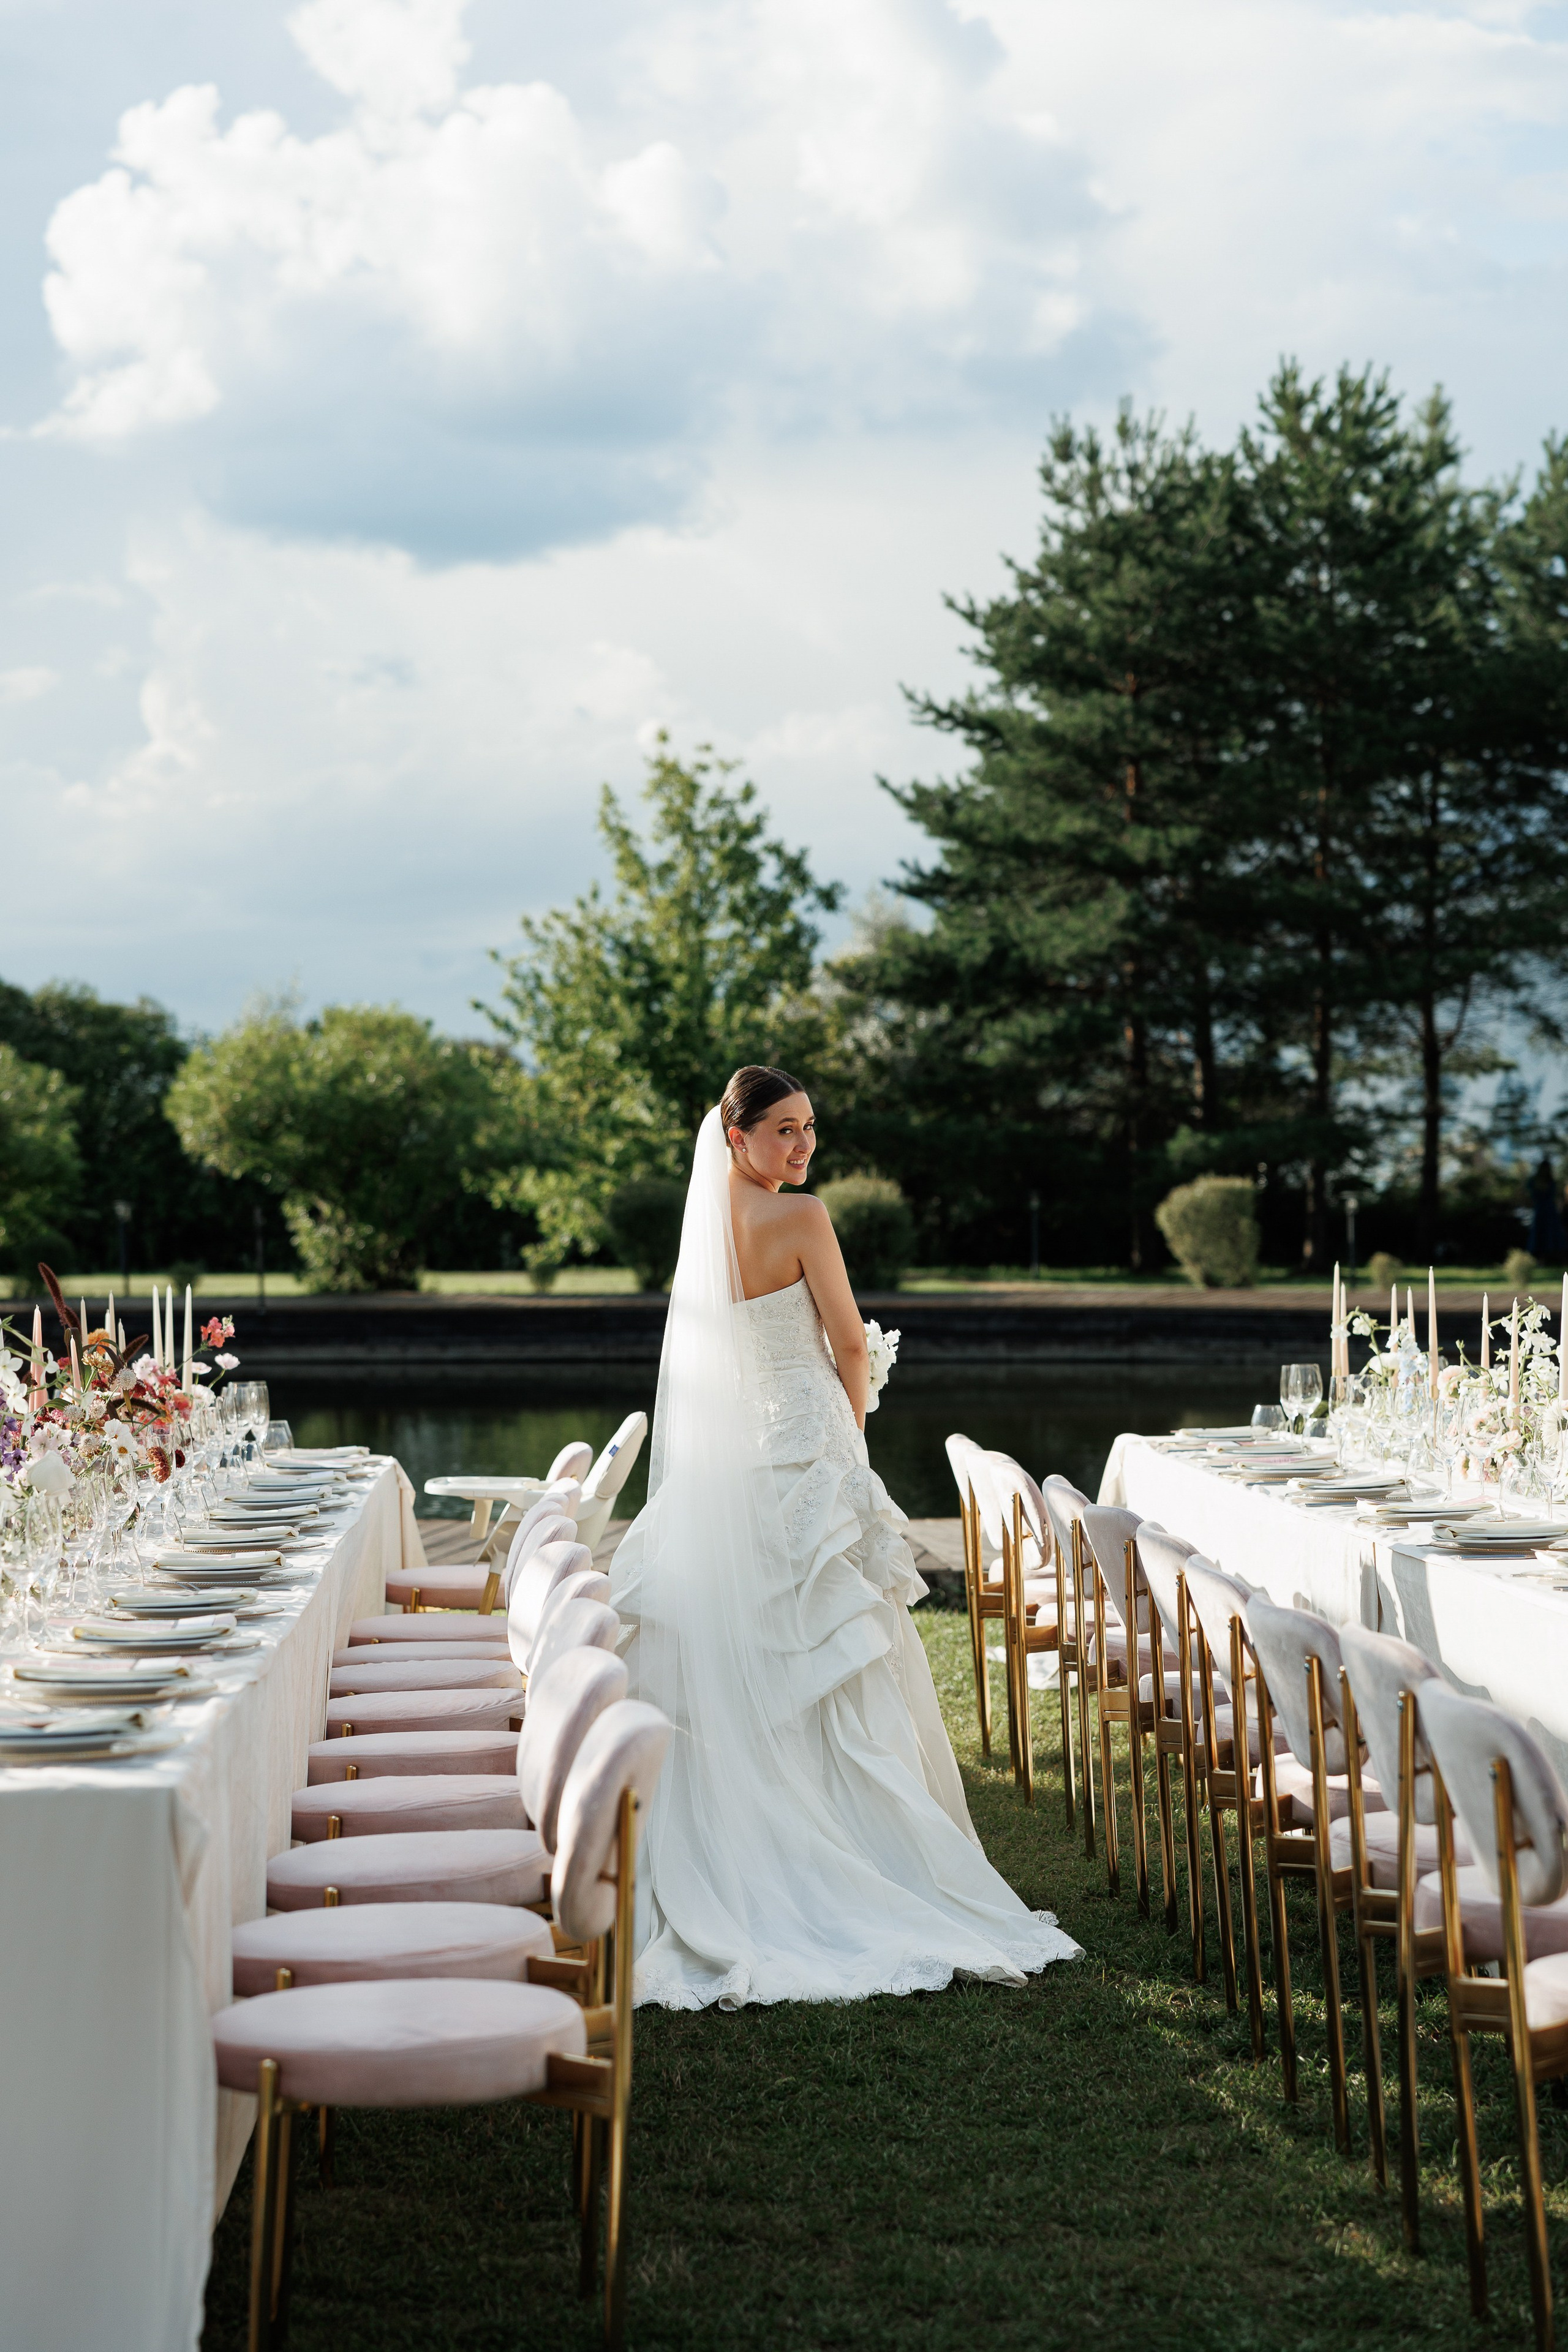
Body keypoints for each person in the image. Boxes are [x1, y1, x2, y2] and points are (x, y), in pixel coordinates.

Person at [610, 1064, 1080, 2010]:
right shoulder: (804, 1219)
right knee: (838, 1643)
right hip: (809, 1448)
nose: (802, 1147)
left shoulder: (708, 1231)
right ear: (736, 1138)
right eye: (782, 1130)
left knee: (750, 1646)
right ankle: (854, 1848)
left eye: (809, 1128)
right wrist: (852, 1423)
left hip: (735, 1463)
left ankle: (735, 1849)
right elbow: (851, 1342)